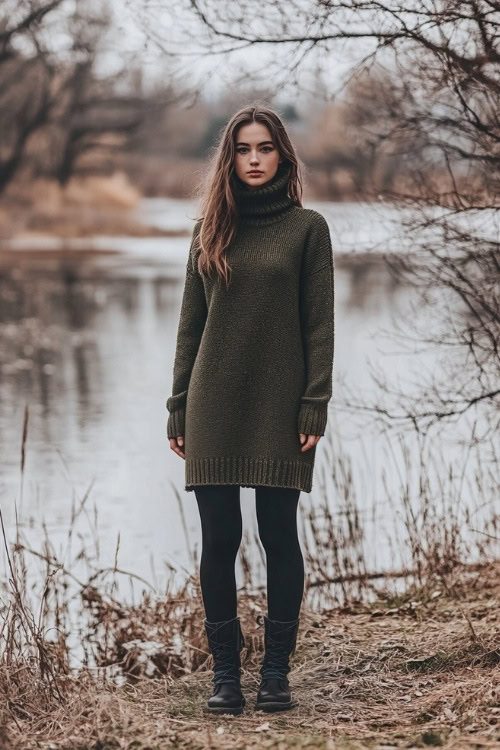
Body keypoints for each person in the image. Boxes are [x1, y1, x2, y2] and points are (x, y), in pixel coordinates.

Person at [166, 104, 335, 715]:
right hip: (213, 402)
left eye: (265, 148)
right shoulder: (209, 230)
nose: (255, 158)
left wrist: (315, 402)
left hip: (280, 405)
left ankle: (275, 676)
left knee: (278, 535)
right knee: (219, 539)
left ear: (283, 156)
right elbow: (191, 326)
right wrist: (178, 404)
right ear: (229, 158)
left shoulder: (308, 229)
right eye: (243, 149)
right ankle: (226, 680)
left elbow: (320, 326)